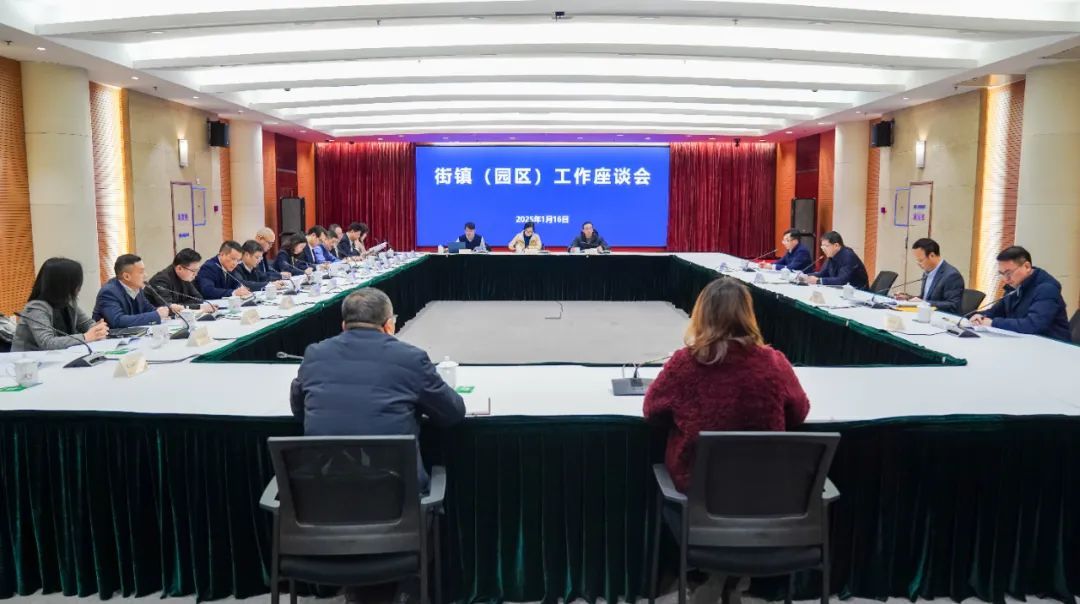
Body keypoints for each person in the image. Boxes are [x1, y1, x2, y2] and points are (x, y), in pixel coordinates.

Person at [289, 288, 466, 492]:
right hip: (398, 496)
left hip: (325, 494)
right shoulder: (411, 358)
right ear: (389, 325)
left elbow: (299, 411)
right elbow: (452, 413)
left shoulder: (315, 354)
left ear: (343, 326)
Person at [643, 278, 810, 493]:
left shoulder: (685, 363)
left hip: (698, 489)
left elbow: (652, 411)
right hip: (765, 488)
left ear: (701, 315)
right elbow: (798, 413)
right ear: (748, 316)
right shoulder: (774, 362)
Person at [971, 246, 1070, 341]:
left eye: (1009, 273)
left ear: (1027, 267)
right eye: (1002, 274)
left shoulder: (1046, 289)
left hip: (1052, 345)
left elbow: (1033, 325)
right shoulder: (1014, 286)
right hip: (1025, 341)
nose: (1005, 279)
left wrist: (993, 323)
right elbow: (996, 311)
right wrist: (979, 316)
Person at [13, 257, 108, 351]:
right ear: (63, 284)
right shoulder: (36, 308)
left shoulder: (69, 302)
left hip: (60, 355)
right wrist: (85, 337)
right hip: (29, 359)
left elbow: (86, 323)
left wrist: (97, 329)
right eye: (76, 283)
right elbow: (47, 343)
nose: (79, 287)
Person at [93, 254, 177, 327]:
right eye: (141, 272)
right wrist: (156, 315)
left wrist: (167, 310)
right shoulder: (108, 292)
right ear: (126, 276)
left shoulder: (137, 289)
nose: (146, 275)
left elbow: (149, 310)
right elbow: (118, 321)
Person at [895, 238, 964, 313]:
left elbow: (953, 305)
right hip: (925, 314)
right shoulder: (927, 272)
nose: (918, 264)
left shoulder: (951, 276)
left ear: (932, 255)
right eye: (917, 260)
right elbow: (925, 298)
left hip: (941, 317)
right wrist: (908, 298)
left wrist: (924, 303)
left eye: (920, 260)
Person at [147, 248, 216, 313]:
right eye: (193, 271)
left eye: (197, 270)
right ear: (179, 268)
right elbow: (169, 308)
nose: (196, 274)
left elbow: (198, 299)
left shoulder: (184, 277)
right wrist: (197, 307)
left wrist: (181, 306)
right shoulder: (161, 281)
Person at [803, 231, 869, 289]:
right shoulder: (831, 256)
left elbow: (842, 280)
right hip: (841, 290)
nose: (823, 248)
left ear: (836, 246)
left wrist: (818, 281)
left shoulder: (848, 256)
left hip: (858, 291)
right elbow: (823, 273)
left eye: (826, 246)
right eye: (822, 246)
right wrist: (805, 276)